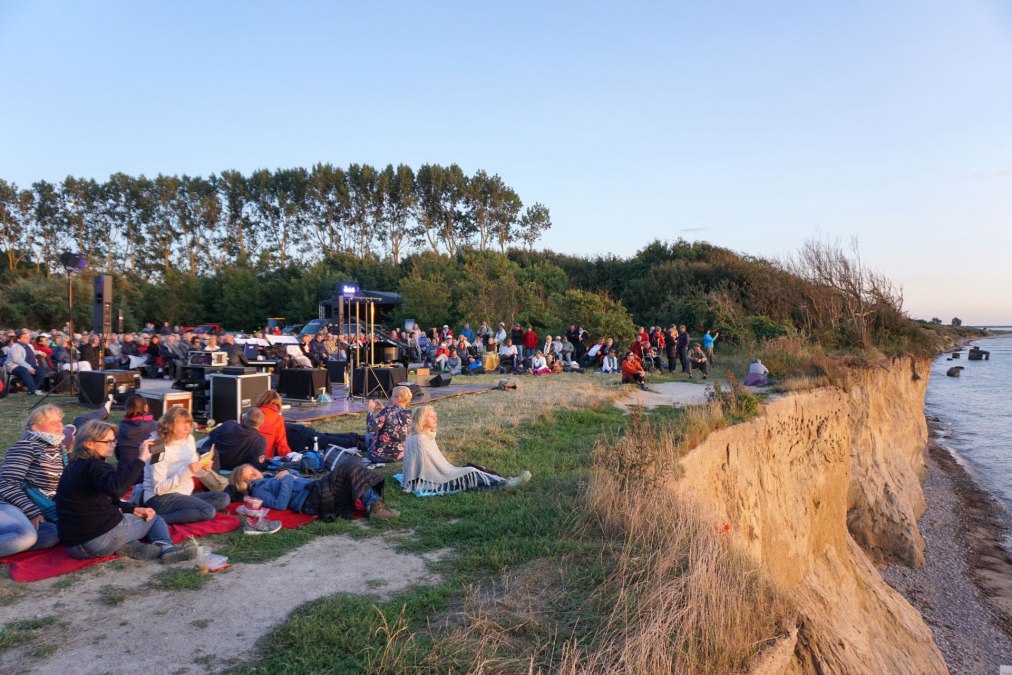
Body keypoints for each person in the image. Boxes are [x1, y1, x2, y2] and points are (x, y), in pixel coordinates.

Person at [56, 421, 195, 563]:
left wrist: (132, 509)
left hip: (73, 545)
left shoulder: (73, 466)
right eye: (107, 442)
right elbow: (118, 489)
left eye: (113, 441)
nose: (113, 445)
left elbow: (105, 498)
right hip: (97, 539)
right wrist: (141, 458)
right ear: (89, 444)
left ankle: (128, 545)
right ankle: (166, 548)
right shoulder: (96, 466)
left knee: (123, 520)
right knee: (154, 519)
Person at [402, 406, 530, 496]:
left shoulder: (424, 435)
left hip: (434, 477)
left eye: (435, 415)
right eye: (431, 416)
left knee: (472, 467)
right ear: (422, 420)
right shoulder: (419, 440)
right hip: (431, 483)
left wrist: (451, 470)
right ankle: (505, 484)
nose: (435, 418)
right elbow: (429, 470)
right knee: (470, 472)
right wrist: (450, 472)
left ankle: (503, 480)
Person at [230, 458, 399, 520]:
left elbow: (298, 478)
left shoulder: (269, 477)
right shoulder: (259, 490)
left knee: (354, 462)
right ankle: (375, 507)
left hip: (316, 488)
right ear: (245, 483)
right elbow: (280, 504)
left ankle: (375, 505)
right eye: (250, 475)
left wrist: (290, 472)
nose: (255, 473)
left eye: (253, 469)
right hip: (312, 499)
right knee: (349, 466)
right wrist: (287, 478)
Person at [142, 407, 230, 525]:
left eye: (189, 423)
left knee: (223, 498)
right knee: (207, 511)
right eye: (183, 424)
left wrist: (203, 469)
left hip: (184, 493)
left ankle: (185, 510)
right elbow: (159, 488)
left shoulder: (189, 439)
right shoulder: (157, 447)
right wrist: (187, 471)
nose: (187, 428)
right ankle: (155, 520)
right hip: (159, 498)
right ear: (170, 425)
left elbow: (194, 470)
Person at [0, 405, 65, 556]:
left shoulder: (57, 448)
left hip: (41, 505)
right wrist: (32, 512)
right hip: (8, 504)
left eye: (60, 421)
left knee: (53, 534)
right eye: (52, 422)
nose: (59, 425)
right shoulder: (25, 446)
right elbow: (6, 485)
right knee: (25, 537)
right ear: (36, 427)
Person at [365, 386, 413, 463]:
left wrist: (370, 411)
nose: (391, 398)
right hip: (400, 455)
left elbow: (371, 429)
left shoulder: (387, 411)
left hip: (380, 456)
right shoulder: (410, 414)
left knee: (368, 434)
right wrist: (383, 409)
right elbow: (395, 418)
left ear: (397, 398)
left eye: (392, 396)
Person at [115, 395, 158, 469]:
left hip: (123, 473)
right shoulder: (155, 427)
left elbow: (118, 455)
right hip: (146, 473)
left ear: (127, 409)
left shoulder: (120, 428)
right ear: (146, 407)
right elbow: (158, 457)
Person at [253, 390, 292, 459]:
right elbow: (281, 444)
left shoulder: (250, 414)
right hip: (264, 460)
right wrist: (290, 458)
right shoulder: (277, 418)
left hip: (244, 458)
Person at [6, 329, 43, 394]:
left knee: (41, 372)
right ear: (19, 340)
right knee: (24, 371)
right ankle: (33, 390)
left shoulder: (29, 345)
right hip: (14, 366)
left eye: (27, 337)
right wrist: (29, 368)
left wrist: (39, 352)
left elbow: (31, 352)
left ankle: (32, 389)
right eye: (25, 338)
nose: (28, 338)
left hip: (28, 365)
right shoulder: (16, 347)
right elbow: (17, 359)